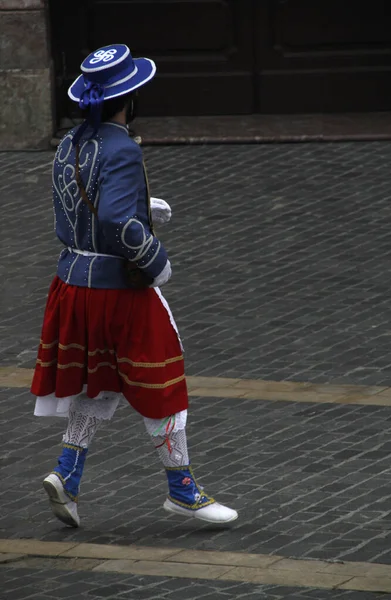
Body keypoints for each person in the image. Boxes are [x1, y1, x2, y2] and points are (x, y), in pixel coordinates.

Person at [30, 44, 238, 528]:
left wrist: (145, 207)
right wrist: (156, 261)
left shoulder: (69, 144)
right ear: (129, 99)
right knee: (162, 383)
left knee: (98, 382)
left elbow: (78, 211)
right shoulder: (121, 146)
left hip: (72, 286)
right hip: (117, 290)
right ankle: (181, 488)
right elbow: (117, 221)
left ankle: (68, 474)